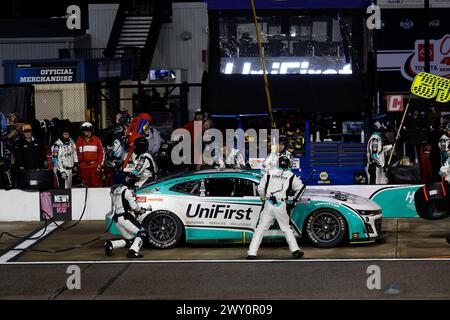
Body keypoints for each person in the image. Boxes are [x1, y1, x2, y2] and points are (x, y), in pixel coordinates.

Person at [247, 156, 304, 259]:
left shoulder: (269, 173)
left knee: (260, 229)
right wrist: (294, 200)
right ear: (288, 165)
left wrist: (263, 199)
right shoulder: (292, 176)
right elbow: (301, 189)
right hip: (281, 204)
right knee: (286, 228)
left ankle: (252, 253)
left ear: (277, 163)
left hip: (268, 203)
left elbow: (260, 188)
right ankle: (295, 251)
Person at [105, 174, 151, 258]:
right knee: (143, 234)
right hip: (125, 217)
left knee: (130, 240)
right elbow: (134, 207)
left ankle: (111, 244)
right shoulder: (126, 191)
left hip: (117, 219)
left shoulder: (112, 192)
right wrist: (141, 210)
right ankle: (133, 252)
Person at [76, 122, 104, 187]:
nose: (87, 133)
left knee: (96, 186)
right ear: (82, 131)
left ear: (91, 131)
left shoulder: (96, 140)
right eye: (85, 131)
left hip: (94, 167)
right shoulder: (79, 141)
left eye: (89, 131)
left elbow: (101, 153)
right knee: (85, 186)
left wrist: (99, 164)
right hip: (83, 167)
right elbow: (76, 154)